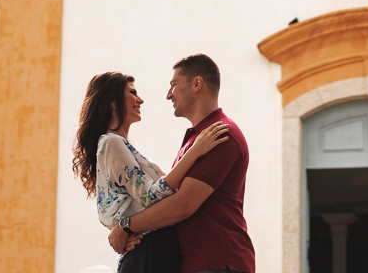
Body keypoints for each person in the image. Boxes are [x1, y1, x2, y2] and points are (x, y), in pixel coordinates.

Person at [107, 54, 256, 273]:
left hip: (219, 263)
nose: (168, 95)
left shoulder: (220, 133)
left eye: (173, 85)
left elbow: (183, 204)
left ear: (197, 84)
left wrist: (126, 226)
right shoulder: (196, 140)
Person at [73, 71, 230, 273]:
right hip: (149, 252)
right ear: (112, 102)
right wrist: (194, 152)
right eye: (132, 92)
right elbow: (150, 195)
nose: (140, 100)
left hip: (154, 250)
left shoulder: (121, 146)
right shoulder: (111, 143)